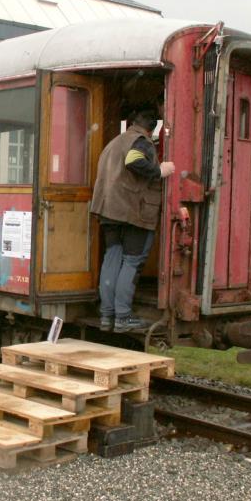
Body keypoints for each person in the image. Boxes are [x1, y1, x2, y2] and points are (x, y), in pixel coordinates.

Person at [91, 105, 175, 332]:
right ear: (151, 126)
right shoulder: (140, 142)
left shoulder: (114, 142)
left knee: (112, 258)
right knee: (131, 261)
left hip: (109, 211)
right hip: (131, 212)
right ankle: (123, 317)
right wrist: (159, 171)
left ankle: (108, 315)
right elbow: (134, 160)